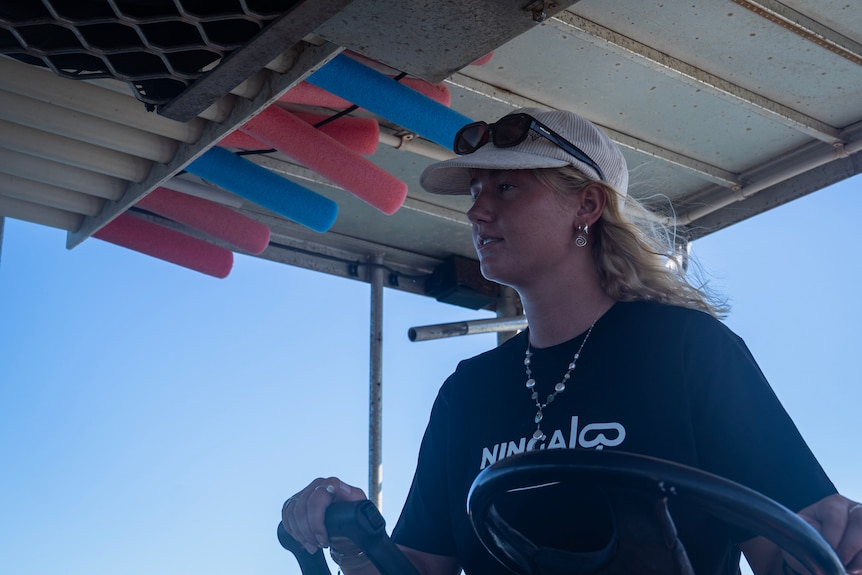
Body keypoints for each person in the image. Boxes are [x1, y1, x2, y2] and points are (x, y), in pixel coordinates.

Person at [281, 108, 862, 575]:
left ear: (587, 205)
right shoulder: (468, 393)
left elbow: (792, 552)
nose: (478, 211)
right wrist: (346, 531)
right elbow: (421, 565)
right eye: (476, 191)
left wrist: (845, 545)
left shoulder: (687, 350)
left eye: (506, 188)